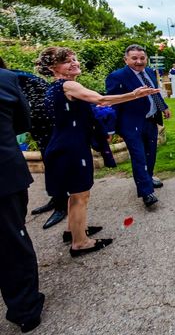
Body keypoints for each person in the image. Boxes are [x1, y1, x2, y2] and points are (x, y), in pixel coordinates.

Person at [36, 47, 159, 257]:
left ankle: (73, 230)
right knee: (81, 194)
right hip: (71, 146)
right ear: (53, 68)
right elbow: (101, 100)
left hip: (63, 143)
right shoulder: (68, 85)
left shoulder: (56, 87)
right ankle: (80, 242)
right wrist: (134, 94)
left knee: (75, 193)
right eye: (67, 61)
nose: (75, 63)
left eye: (75, 59)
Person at [0, 67, 45, 333]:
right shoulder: (6, 79)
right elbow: (22, 122)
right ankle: (25, 310)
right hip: (4, 176)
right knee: (11, 244)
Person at [0, 57, 68, 229]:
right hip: (37, 126)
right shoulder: (12, 76)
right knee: (49, 164)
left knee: (56, 165)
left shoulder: (12, 77)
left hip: (46, 123)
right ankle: (56, 199)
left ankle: (62, 205)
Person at [106, 45, 171, 208]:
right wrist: (110, 129)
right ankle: (146, 192)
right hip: (130, 124)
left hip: (150, 120)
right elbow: (112, 102)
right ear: (126, 59)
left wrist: (163, 107)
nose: (139, 61)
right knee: (139, 156)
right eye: (134, 58)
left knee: (150, 154)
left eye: (142, 58)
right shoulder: (117, 76)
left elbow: (154, 92)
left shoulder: (149, 72)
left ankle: (147, 178)